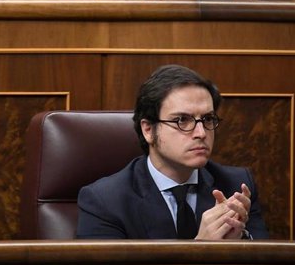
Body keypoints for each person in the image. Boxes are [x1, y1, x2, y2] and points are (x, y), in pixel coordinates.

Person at [77, 64, 268, 240]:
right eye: (182, 120)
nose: (201, 133)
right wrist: (202, 248)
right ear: (148, 130)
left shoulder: (236, 186)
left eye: (208, 119)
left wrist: (241, 241)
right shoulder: (105, 201)